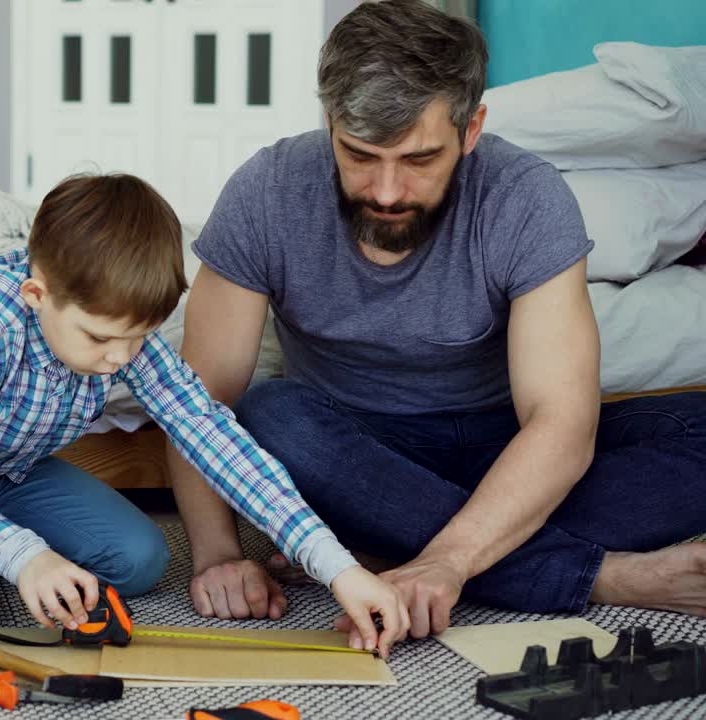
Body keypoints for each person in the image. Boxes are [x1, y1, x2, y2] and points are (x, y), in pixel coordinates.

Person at [170, 0, 706, 648]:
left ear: (471, 129)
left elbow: (561, 424)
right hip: (356, 457)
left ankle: (396, 547)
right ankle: (601, 577)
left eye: (420, 159)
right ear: (331, 120)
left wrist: (447, 561)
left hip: (506, 452)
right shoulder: (266, 193)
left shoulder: (526, 197)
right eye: (360, 154)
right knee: (272, 414)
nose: (388, 191)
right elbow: (196, 406)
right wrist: (217, 553)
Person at [0, 173, 409, 654]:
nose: (118, 359)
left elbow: (212, 437)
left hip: (1, 466)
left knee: (141, 560)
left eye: (137, 338)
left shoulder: (124, 336)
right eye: (101, 338)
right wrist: (26, 557)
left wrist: (337, 567)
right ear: (37, 295)